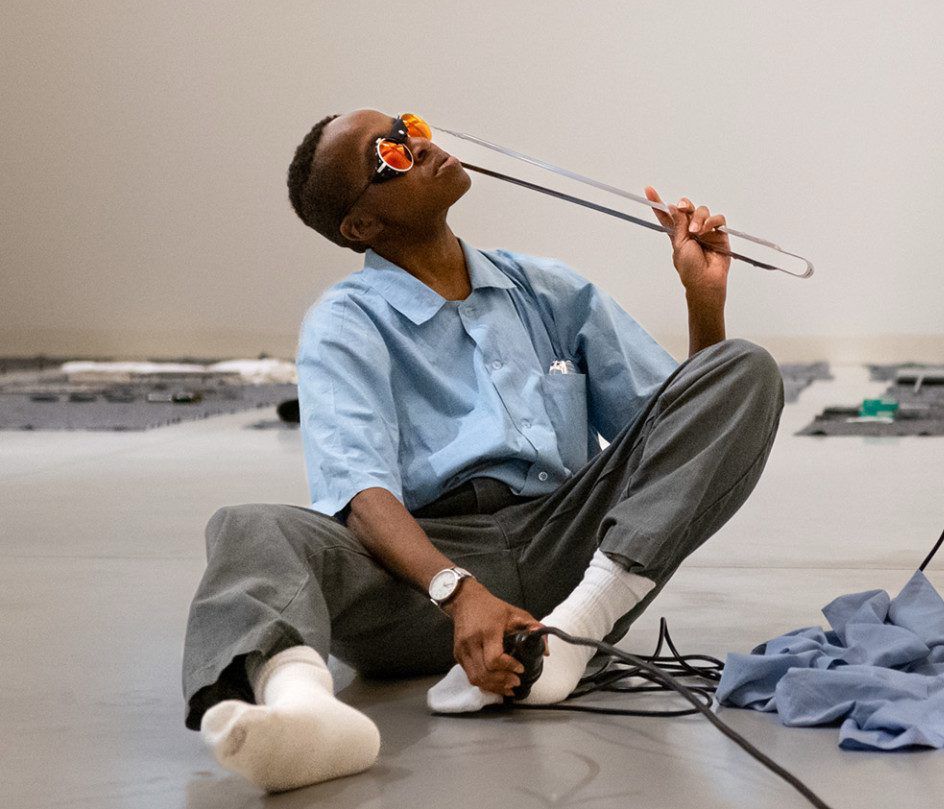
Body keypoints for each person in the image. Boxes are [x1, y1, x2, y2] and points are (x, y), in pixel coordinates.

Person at [180, 109, 785, 791]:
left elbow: (678, 431)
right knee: (248, 526)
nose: (422, 145)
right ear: (361, 226)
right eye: (393, 151)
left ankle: (570, 634)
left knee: (744, 368)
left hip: (576, 549)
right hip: (422, 574)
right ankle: (306, 711)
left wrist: (703, 303)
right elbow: (362, 494)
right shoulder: (345, 322)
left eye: (410, 126)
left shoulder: (548, 288)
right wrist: (456, 590)